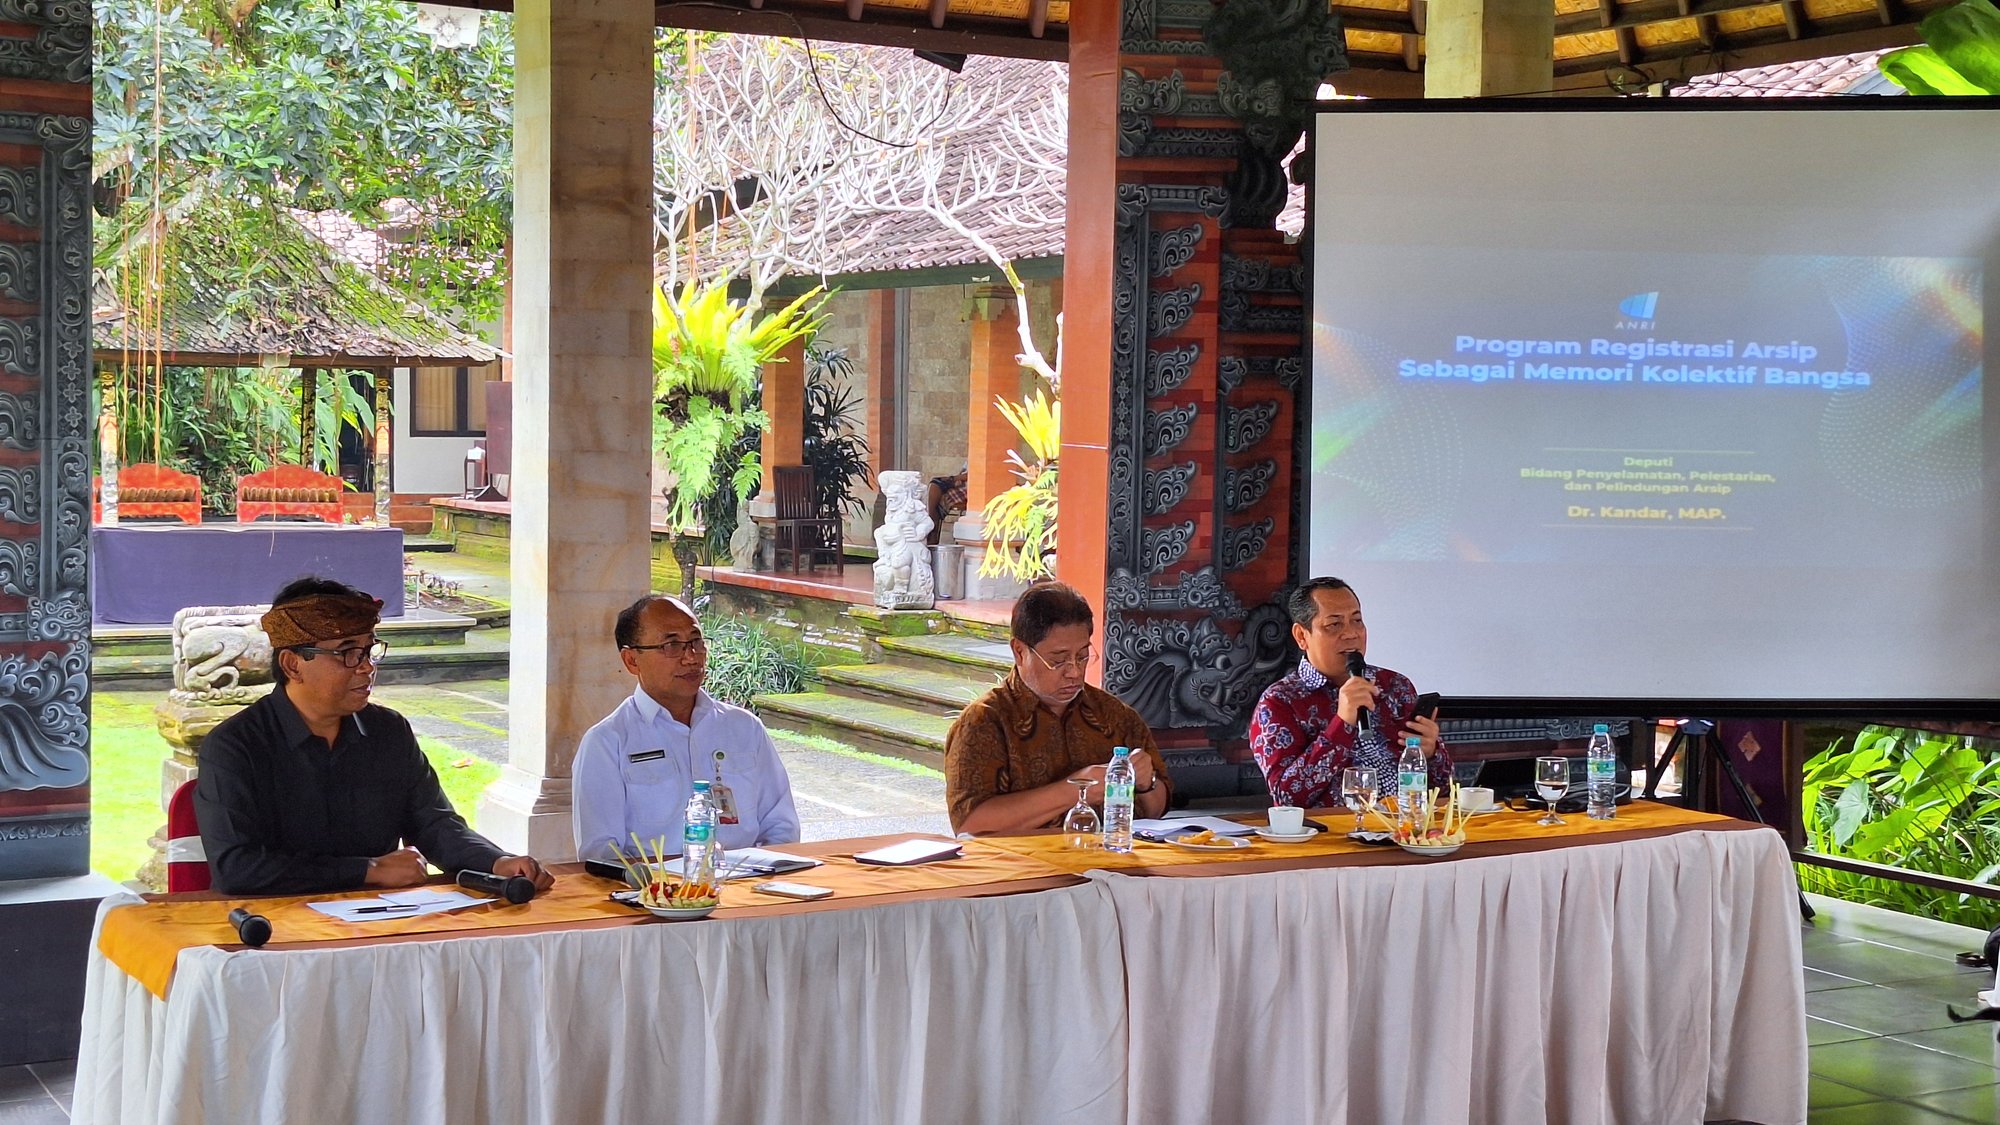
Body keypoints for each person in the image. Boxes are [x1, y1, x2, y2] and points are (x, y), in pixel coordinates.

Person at [195, 577, 554, 896]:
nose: (366, 667)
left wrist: (496, 862)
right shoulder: (236, 746)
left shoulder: (388, 733)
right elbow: (237, 868)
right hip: (269, 935)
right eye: (347, 653)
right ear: (293, 665)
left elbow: (434, 824)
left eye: (369, 650)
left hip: (379, 926)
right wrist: (367, 870)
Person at [572, 594, 800, 863]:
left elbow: (781, 826)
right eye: (671, 645)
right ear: (632, 660)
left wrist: (759, 878)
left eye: (696, 641)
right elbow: (600, 853)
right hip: (655, 895)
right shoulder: (608, 742)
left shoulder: (744, 728)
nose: (691, 657)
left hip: (746, 886)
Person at [944, 583, 1172, 834]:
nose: (1074, 671)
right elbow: (969, 823)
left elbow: (1156, 810)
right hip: (1021, 868)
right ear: (1019, 652)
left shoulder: (1115, 716)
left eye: (1082, 656)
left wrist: (1145, 783)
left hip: (1106, 864)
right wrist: (1074, 790)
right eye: (1058, 660)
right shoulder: (985, 722)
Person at [1248, 576, 1449, 810]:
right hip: (1333, 839)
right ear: (1302, 636)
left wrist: (1432, 753)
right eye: (1334, 625)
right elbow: (1287, 799)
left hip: (1406, 831)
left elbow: (1444, 790)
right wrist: (1341, 724)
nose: (1351, 634)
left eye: (1357, 621)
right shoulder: (1279, 702)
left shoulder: (1395, 686)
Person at [925, 464, 968, 546]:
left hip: (970, 486)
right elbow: (963, 473)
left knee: (936, 486)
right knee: (935, 486)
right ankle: (932, 526)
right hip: (961, 483)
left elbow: (971, 475)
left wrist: (953, 479)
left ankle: (932, 527)